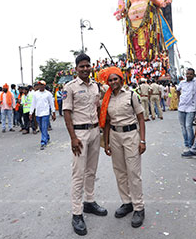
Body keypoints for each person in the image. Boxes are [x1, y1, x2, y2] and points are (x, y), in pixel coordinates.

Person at [63, 53, 107, 236]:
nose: (85, 69)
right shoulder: (70, 87)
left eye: (87, 66)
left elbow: (103, 101)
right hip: (79, 134)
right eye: (81, 66)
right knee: (78, 173)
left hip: (95, 131)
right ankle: (76, 213)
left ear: (91, 67)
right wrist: (73, 138)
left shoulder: (96, 86)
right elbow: (66, 113)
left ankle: (89, 202)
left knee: (91, 170)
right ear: (76, 69)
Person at [99, 66, 146, 228]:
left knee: (133, 172)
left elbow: (141, 118)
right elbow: (106, 123)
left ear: (121, 79)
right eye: (110, 80)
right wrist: (106, 143)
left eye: (115, 79)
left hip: (131, 135)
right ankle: (127, 203)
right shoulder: (107, 98)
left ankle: (139, 207)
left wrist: (143, 140)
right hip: (114, 136)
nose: (113, 82)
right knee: (120, 172)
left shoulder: (131, 95)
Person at [29, 80, 56, 150]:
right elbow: (33, 104)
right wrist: (31, 113)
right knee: (41, 128)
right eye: (39, 85)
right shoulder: (35, 94)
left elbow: (51, 104)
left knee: (44, 127)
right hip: (38, 113)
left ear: (44, 86)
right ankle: (47, 137)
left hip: (45, 113)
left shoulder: (48, 94)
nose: (40, 86)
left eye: (41, 85)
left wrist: (53, 113)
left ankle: (43, 142)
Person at [177, 69, 196, 155]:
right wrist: (179, 100)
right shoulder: (182, 83)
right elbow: (178, 90)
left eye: (190, 74)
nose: (188, 75)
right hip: (181, 107)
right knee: (183, 127)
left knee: (188, 126)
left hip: (191, 108)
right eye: (187, 74)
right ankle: (187, 144)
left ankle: (191, 145)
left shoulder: (195, 83)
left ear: (193, 75)